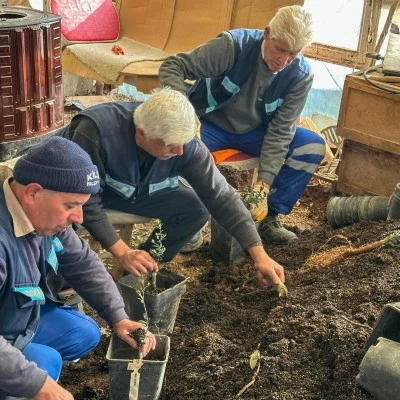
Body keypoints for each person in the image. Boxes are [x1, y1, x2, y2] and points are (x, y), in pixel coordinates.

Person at [56, 88, 285, 289]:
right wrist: (122, 251)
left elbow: (221, 196)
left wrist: (259, 254)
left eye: (183, 144)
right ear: (142, 133)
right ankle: (62, 279)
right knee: (62, 223)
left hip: (133, 190)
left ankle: (144, 265)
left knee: (195, 207)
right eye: (171, 146)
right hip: (79, 192)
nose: (180, 152)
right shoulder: (95, 131)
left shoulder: (185, 145)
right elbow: (85, 200)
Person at [0, 137, 155, 400]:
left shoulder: (44, 218)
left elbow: (83, 263)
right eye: (70, 206)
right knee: (44, 363)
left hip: (16, 317)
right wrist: (38, 384)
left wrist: (119, 317)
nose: (79, 218)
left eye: (82, 205)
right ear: (33, 192)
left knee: (83, 333)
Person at [159, 5, 327, 245]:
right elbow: (173, 66)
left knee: (311, 147)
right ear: (267, 33)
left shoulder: (300, 75)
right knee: (173, 144)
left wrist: (263, 184)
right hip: (209, 124)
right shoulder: (232, 46)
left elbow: (281, 131)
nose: (284, 60)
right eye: (280, 49)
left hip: (256, 133)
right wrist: (184, 112)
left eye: (293, 54)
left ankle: (268, 217)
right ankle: (187, 218)